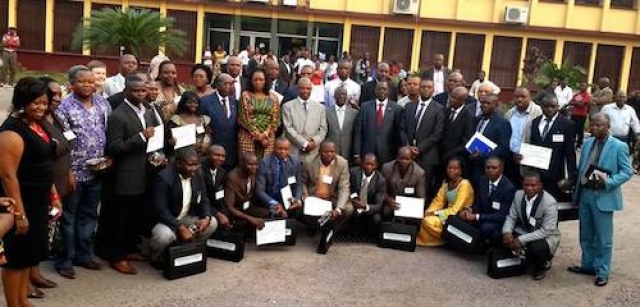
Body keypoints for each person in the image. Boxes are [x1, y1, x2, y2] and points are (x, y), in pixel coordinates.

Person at [0, 77, 62, 307]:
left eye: (44, 103)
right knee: (16, 258)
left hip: (38, 201)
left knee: (30, 255)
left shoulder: (38, 124)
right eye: (35, 103)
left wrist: (53, 195)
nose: (40, 107)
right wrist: (19, 214)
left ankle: (22, 300)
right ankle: (13, 304)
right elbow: (8, 176)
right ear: (22, 102)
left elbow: (44, 163)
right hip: (21, 201)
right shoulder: (11, 132)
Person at [55, 67, 111, 278]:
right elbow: (62, 144)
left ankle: (84, 255)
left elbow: (108, 132)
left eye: (90, 81)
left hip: (97, 172)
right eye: (82, 82)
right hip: (74, 172)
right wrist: (68, 172)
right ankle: (65, 260)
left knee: (89, 215)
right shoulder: (64, 107)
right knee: (69, 217)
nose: (88, 85)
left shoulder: (102, 103)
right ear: (72, 84)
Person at [103, 76, 162, 275]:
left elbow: (154, 138)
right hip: (125, 175)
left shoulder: (147, 110)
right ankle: (117, 257)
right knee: (120, 218)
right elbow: (114, 147)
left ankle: (129, 250)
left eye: (143, 91)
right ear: (127, 91)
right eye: (136, 91)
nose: (141, 94)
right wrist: (140, 138)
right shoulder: (118, 115)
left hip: (146, 172)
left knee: (135, 216)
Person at [569, 113, 633, 286]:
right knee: (586, 234)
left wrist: (608, 182)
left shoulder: (619, 146)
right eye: (592, 125)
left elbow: (627, 172)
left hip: (603, 195)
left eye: (599, 125)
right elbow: (581, 167)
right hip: (585, 194)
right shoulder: (588, 143)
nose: (594, 128)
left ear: (608, 126)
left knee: (604, 238)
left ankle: (603, 271)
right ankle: (588, 265)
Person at [150, 148, 217, 266]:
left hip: (184, 216)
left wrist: (206, 217)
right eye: (190, 165)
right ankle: (157, 258)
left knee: (212, 223)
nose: (194, 169)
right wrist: (180, 227)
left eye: (196, 165)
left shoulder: (197, 174)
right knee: (164, 236)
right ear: (178, 164)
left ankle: (188, 250)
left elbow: (204, 199)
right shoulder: (164, 178)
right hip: (166, 220)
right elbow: (160, 210)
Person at [502, 172, 561, 281]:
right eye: (526, 185)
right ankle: (520, 260)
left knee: (537, 249)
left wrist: (521, 239)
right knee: (501, 236)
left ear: (540, 185)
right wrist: (507, 232)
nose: (529, 188)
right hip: (525, 230)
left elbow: (545, 231)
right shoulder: (518, 195)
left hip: (545, 237)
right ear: (522, 184)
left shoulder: (550, 203)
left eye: (533, 185)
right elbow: (511, 217)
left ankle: (541, 266)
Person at [527, 94, 577, 201]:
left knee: (551, 205)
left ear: (558, 106)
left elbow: (570, 154)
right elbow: (533, 146)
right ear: (541, 106)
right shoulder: (535, 122)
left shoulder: (567, 124)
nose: (550, 109)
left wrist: (570, 178)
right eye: (546, 106)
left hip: (555, 175)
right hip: (537, 174)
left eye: (553, 106)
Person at [417, 157, 474, 247]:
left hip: (459, 217)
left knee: (429, 222)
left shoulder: (464, 184)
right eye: (449, 168)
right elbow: (438, 201)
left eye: (455, 168)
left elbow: (456, 209)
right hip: (447, 214)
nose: (451, 170)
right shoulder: (446, 183)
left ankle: (446, 240)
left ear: (460, 171)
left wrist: (436, 213)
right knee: (425, 218)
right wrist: (428, 212)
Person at [459, 157, 515, 247]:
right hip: (483, 216)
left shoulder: (508, 188)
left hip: (498, 222)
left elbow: (501, 216)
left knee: (486, 228)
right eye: (488, 167)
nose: (490, 170)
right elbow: (478, 203)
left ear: (501, 169)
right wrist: (469, 210)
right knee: (461, 215)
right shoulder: (482, 180)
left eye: (494, 168)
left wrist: (476, 216)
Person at [301, 141, 353, 237]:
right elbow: (303, 182)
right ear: (319, 151)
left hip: (331, 197)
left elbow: (344, 187)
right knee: (300, 206)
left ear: (336, 152)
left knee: (348, 209)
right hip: (314, 196)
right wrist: (306, 196)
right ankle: (313, 227)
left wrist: (338, 209)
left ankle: (331, 230)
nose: (329, 154)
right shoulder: (309, 161)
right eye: (326, 151)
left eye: (332, 151)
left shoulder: (342, 163)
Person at [403, 78, 444, 193]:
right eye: (423, 87)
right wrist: (407, 147)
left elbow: (437, 134)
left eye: (429, 87)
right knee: (407, 186)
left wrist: (419, 149)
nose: (425, 89)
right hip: (407, 155)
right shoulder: (409, 106)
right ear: (419, 88)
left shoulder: (439, 109)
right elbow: (402, 129)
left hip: (427, 156)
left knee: (424, 188)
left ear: (433, 90)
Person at [353, 82, 406, 165]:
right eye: (379, 89)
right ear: (375, 91)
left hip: (388, 155)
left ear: (388, 91)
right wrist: (357, 153)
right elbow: (358, 132)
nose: (382, 91)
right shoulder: (365, 107)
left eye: (384, 89)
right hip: (367, 153)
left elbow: (399, 133)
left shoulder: (397, 109)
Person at [283, 78, 328, 166]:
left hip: (314, 153)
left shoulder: (320, 108)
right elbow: (288, 128)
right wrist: (304, 143)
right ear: (297, 89)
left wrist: (314, 142)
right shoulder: (287, 106)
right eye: (302, 88)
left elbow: (323, 129)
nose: (305, 91)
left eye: (308, 88)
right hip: (295, 151)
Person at [255, 138, 304, 219]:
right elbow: (259, 191)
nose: (283, 151)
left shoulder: (295, 161)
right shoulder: (265, 162)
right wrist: (274, 203)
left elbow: (299, 184)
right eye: (280, 149)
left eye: (286, 149)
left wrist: (297, 199)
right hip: (269, 200)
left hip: (288, 199)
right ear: (274, 148)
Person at [238, 68, 280, 160]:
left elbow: (275, 119)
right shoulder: (245, 96)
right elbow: (244, 118)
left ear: (265, 81)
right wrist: (259, 137)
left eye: (261, 79)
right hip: (248, 136)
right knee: (248, 166)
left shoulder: (273, 97)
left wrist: (265, 134)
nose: (258, 82)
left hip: (268, 138)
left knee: (265, 166)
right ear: (251, 81)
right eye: (255, 80)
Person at [470, 94, 512, 183]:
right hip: (473, 164)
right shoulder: (477, 119)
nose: (484, 105)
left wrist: (483, 154)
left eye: (488, 103)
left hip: (490, 168)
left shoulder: (502, 123)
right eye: (483, 102)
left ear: (496, 105)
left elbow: (504, 148)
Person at [200, 73, 239, 170]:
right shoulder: (206, 101)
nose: (229, 87)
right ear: (217, 85)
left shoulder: (235, 102)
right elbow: (202, 125)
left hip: (232, 152)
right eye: (226, 84)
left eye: (231, 84)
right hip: (214, 150)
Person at [505, 87, 543, 186]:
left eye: (523, 96)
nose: (519, 99)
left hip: (528, 161)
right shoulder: (510, 113)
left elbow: (541, 140)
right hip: (510, 157)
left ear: (530, 97)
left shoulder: (538, 113)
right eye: (517, 97)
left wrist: (526, 154)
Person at [225, 152, 269, 233]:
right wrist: (250, 219)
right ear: (241, 164)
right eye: (250, 164)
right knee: (243, 223)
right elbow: (230, 208)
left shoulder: (253, 173)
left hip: (247, 207)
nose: (254, 167)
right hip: (236, 212)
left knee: (267, 213)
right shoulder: (232, 178)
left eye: (256, 164)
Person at [381, 146, 427, 221]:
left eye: (407, 159)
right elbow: (381, 190)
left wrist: (408, 205)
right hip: (391, 201)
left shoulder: (419, 173)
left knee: (416, 218)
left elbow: (421, 197)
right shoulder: (387, 168)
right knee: (386, 211)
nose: (404, 161)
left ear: (412, 159)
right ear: (397, 158)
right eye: (401, 158)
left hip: (409, 204)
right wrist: (389, 200)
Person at [349, 154, 386, 237]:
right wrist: (354, 199)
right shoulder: (353, 172)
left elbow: (378, 205)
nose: (369, 167)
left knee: (377, 219)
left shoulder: (380, 180)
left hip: (369, 208)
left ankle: (368, 236)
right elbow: (348, 188)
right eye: (367, 164)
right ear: (362, 163)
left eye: (372, 164)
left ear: (376, 165)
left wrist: (365, 206)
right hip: (354, 204)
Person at [440, 87, 476, 172]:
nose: (450, 100)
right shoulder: (446, 111)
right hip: (441, 156)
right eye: (450, 96)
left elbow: (466, 142)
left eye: (454, 98)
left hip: (456, 158)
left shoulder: (468, 116)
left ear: (462, 100)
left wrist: (449, 154)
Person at [167, 91, 212, 156]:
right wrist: (172, 142)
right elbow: (170, 139)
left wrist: (206, 144)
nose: (193, 105)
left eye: (195, 103)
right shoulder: (176, 119)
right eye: (189, 102)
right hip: (182, 156)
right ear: (183, 103)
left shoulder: (203, 119)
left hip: (201, 155)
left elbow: (208, 134)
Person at [200, 145, 231, 228]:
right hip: (200, 207)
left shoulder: (222, 172)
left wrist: (224, 213)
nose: (220, 158)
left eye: (223, 156)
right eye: (216, 155)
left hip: (214, 205)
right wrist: (218, 214)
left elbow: (220, 196)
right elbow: (201, 199)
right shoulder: (199, 171)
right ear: (208, 155)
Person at [325, 86, 359, 163]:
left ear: (347, 96)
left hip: (348, 152)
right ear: (334, 96)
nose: (341, 96)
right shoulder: (326, 112)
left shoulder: (354, 113)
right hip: (331, 152)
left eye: (344, 94)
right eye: (339, 94)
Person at [570, 82, 591, 149]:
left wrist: (575, 103)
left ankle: (579, 145)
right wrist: (577, 103)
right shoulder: (577, 94)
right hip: (574, 114)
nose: (582, 87)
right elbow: (570, 102)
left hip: (581, 115)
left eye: (584, 86)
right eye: (581, 86)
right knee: (572, 129)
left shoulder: (587, 95)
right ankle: (571, 143)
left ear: (586, 87)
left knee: (580, 130)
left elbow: (582, 105)